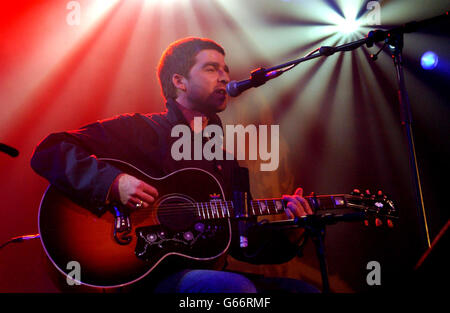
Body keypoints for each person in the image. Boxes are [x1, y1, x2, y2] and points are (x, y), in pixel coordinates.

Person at [31, 37, 319, 293]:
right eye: (211, 69)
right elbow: (50, 150)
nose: (224, 77)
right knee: (235, 290)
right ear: (179, 82)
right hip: (143, 277)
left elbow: (246, 246)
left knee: (302, 292)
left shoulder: (225, 161)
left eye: (225, 69)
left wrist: (292, 230)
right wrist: (113, 183)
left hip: (202, 275)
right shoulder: (141, 130)